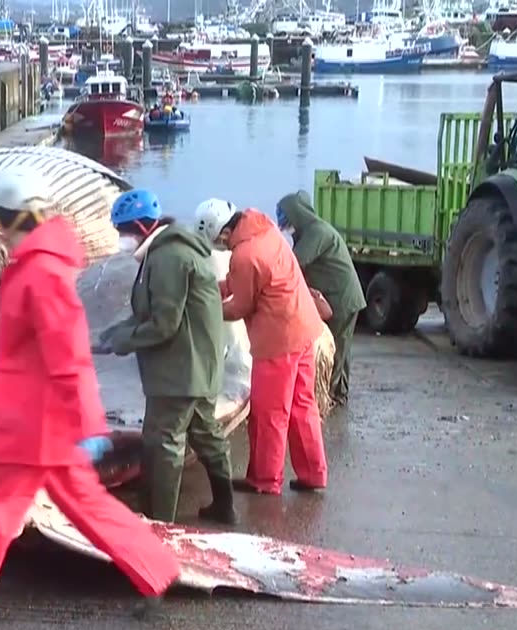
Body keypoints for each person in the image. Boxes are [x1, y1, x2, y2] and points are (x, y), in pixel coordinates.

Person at [0, 167, 181, 630]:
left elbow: (68, 353)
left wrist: (90, 425)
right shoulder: (42, 265)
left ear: (11, 217)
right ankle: (157, 569)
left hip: (29, 427)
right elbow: (37, 352)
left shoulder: (38, 272)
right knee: (86, 505)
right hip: (42, 422)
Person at [94, 189, 237, 526]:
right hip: (199, 366)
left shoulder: (168, 258)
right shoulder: (166, 252)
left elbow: (163, 324)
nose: (121, 239)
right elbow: (150, 313)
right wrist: (110, 335)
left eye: (124, 231)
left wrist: (122, 342)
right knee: (205, 434)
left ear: (143, 227)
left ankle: (158, 524)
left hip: (180, 372)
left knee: (162, 443)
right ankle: (225, 506)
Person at [194, 198, 328, 496]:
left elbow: (239, 307)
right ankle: (313, 473)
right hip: (305, 327)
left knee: (269, 413)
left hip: (278, 340)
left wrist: (204, 306)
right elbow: (243, 280)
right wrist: (213, 289)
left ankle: (266, 480)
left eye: (219, 244)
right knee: (302, 406)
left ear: (222, 234)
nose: (222, 248)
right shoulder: (264, 230)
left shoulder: (244, 254)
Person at [276, 190, 366, 406]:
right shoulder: (311, 232)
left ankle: (331, 398)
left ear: (297, 214)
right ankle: (339, 394)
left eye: (287, 219)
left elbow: (295, 262)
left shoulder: (317, 233)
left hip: (342, 299)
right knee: (341, 349)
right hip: (340, 296)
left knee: (334, 349)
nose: (286, 226)